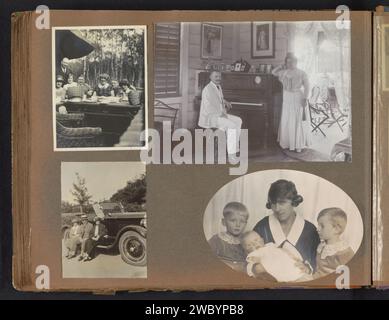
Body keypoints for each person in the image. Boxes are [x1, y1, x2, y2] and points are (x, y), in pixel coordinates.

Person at [250, 180, 321, 278]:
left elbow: (317, 262)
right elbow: (250, 258)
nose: (277, 208)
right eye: (273, 203)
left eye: (282, 202)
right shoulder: (262, 227)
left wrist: (308, 268)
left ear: (294, 201)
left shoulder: (310, 230)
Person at [198, 70, 242, 162]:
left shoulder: (218, 87)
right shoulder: (207, 89)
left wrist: (225, 101)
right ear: (210, 77)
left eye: (219, 76)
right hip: (210, 117)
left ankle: (235, 148)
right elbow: (208, 107)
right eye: (216, 76)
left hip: (220, 114)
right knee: (232, 125)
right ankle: (231, 154)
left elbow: (219, 98)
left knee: (238, 120)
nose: (218, 78)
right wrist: (221, 114)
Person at [272, 52, 310, 153]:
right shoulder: (283, 72)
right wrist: (281, 66)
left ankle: (297, 144)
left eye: (292, 62)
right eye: (288, 62)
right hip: (287, 97)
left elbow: (307, 87)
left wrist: (305, 98)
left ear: (296, 62)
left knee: (296, 119)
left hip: (297, 96)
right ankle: (288, 143)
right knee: (287, 119)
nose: (290, 64)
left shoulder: (302, 73)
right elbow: (273, 72)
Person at [241, 231, 312, 282]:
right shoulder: (254, 254)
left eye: (256, 240)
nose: (254, 244)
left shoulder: (271, 245)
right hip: (278, 275)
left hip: (291, 267)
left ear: (262, 240)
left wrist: (293, 257)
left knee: (305, 278)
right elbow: (253, 267)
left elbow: (284, 251)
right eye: (249, 245)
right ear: (246, 251)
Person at [314, 208, 354, 278]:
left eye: (322, 226)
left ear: (336, 229)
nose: (317, 229)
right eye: (318, 225)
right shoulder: (321, 246)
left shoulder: (344, 252)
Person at [208, 202, 248, 271]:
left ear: (246, 224)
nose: (238, 225)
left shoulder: (247, 241)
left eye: (242, 221)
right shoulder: (216, 240)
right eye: (233, 220)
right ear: (224, 222)